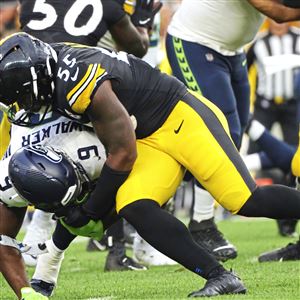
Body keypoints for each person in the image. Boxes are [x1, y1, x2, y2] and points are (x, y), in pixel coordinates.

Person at [2, 33, 300, 298]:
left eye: (26, 96)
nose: (26, 105)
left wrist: (91, 211)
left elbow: (122, 155)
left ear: (37, 79)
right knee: (135, 205)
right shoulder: (51, 66)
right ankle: (221, 277)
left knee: (243, 199)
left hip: (181, 119)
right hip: (146, 137)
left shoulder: (78, 81)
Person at [13, 0, 161, 270]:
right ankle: (116, 249)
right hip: (74, 87)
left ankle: (33, 242)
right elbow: (137, 47)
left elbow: (22, 30)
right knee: (109, 160)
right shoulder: (107, 3)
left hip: (28, 93)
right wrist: (142, 21)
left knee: (31, 169)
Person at [165, 0, 300, 260]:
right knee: (222, 130)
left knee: (232, 138)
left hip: (232, 51)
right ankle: (201, 224)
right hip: (194, 43)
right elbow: (279, 13)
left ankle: (194, 211)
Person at [246, 19, 300, 236]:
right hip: (265, 104)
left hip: (292, 107)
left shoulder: (298, 38)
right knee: (290, 160)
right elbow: (241, 71)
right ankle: (243, 194)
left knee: (294, 162)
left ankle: (288, 215)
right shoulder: (259, 43)